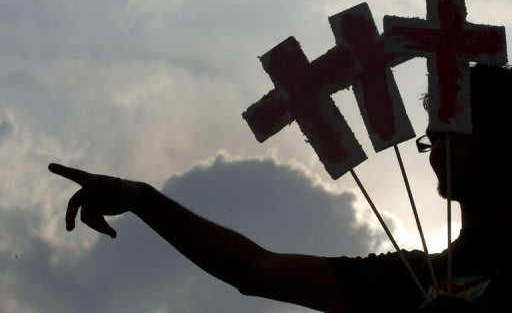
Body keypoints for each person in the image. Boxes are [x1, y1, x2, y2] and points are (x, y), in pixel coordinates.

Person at [48, 64, 511, 312]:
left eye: (460, 134)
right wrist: (141, 198)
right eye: (435, 138)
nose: (439, 152)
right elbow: (257, 270)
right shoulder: (412, 278)